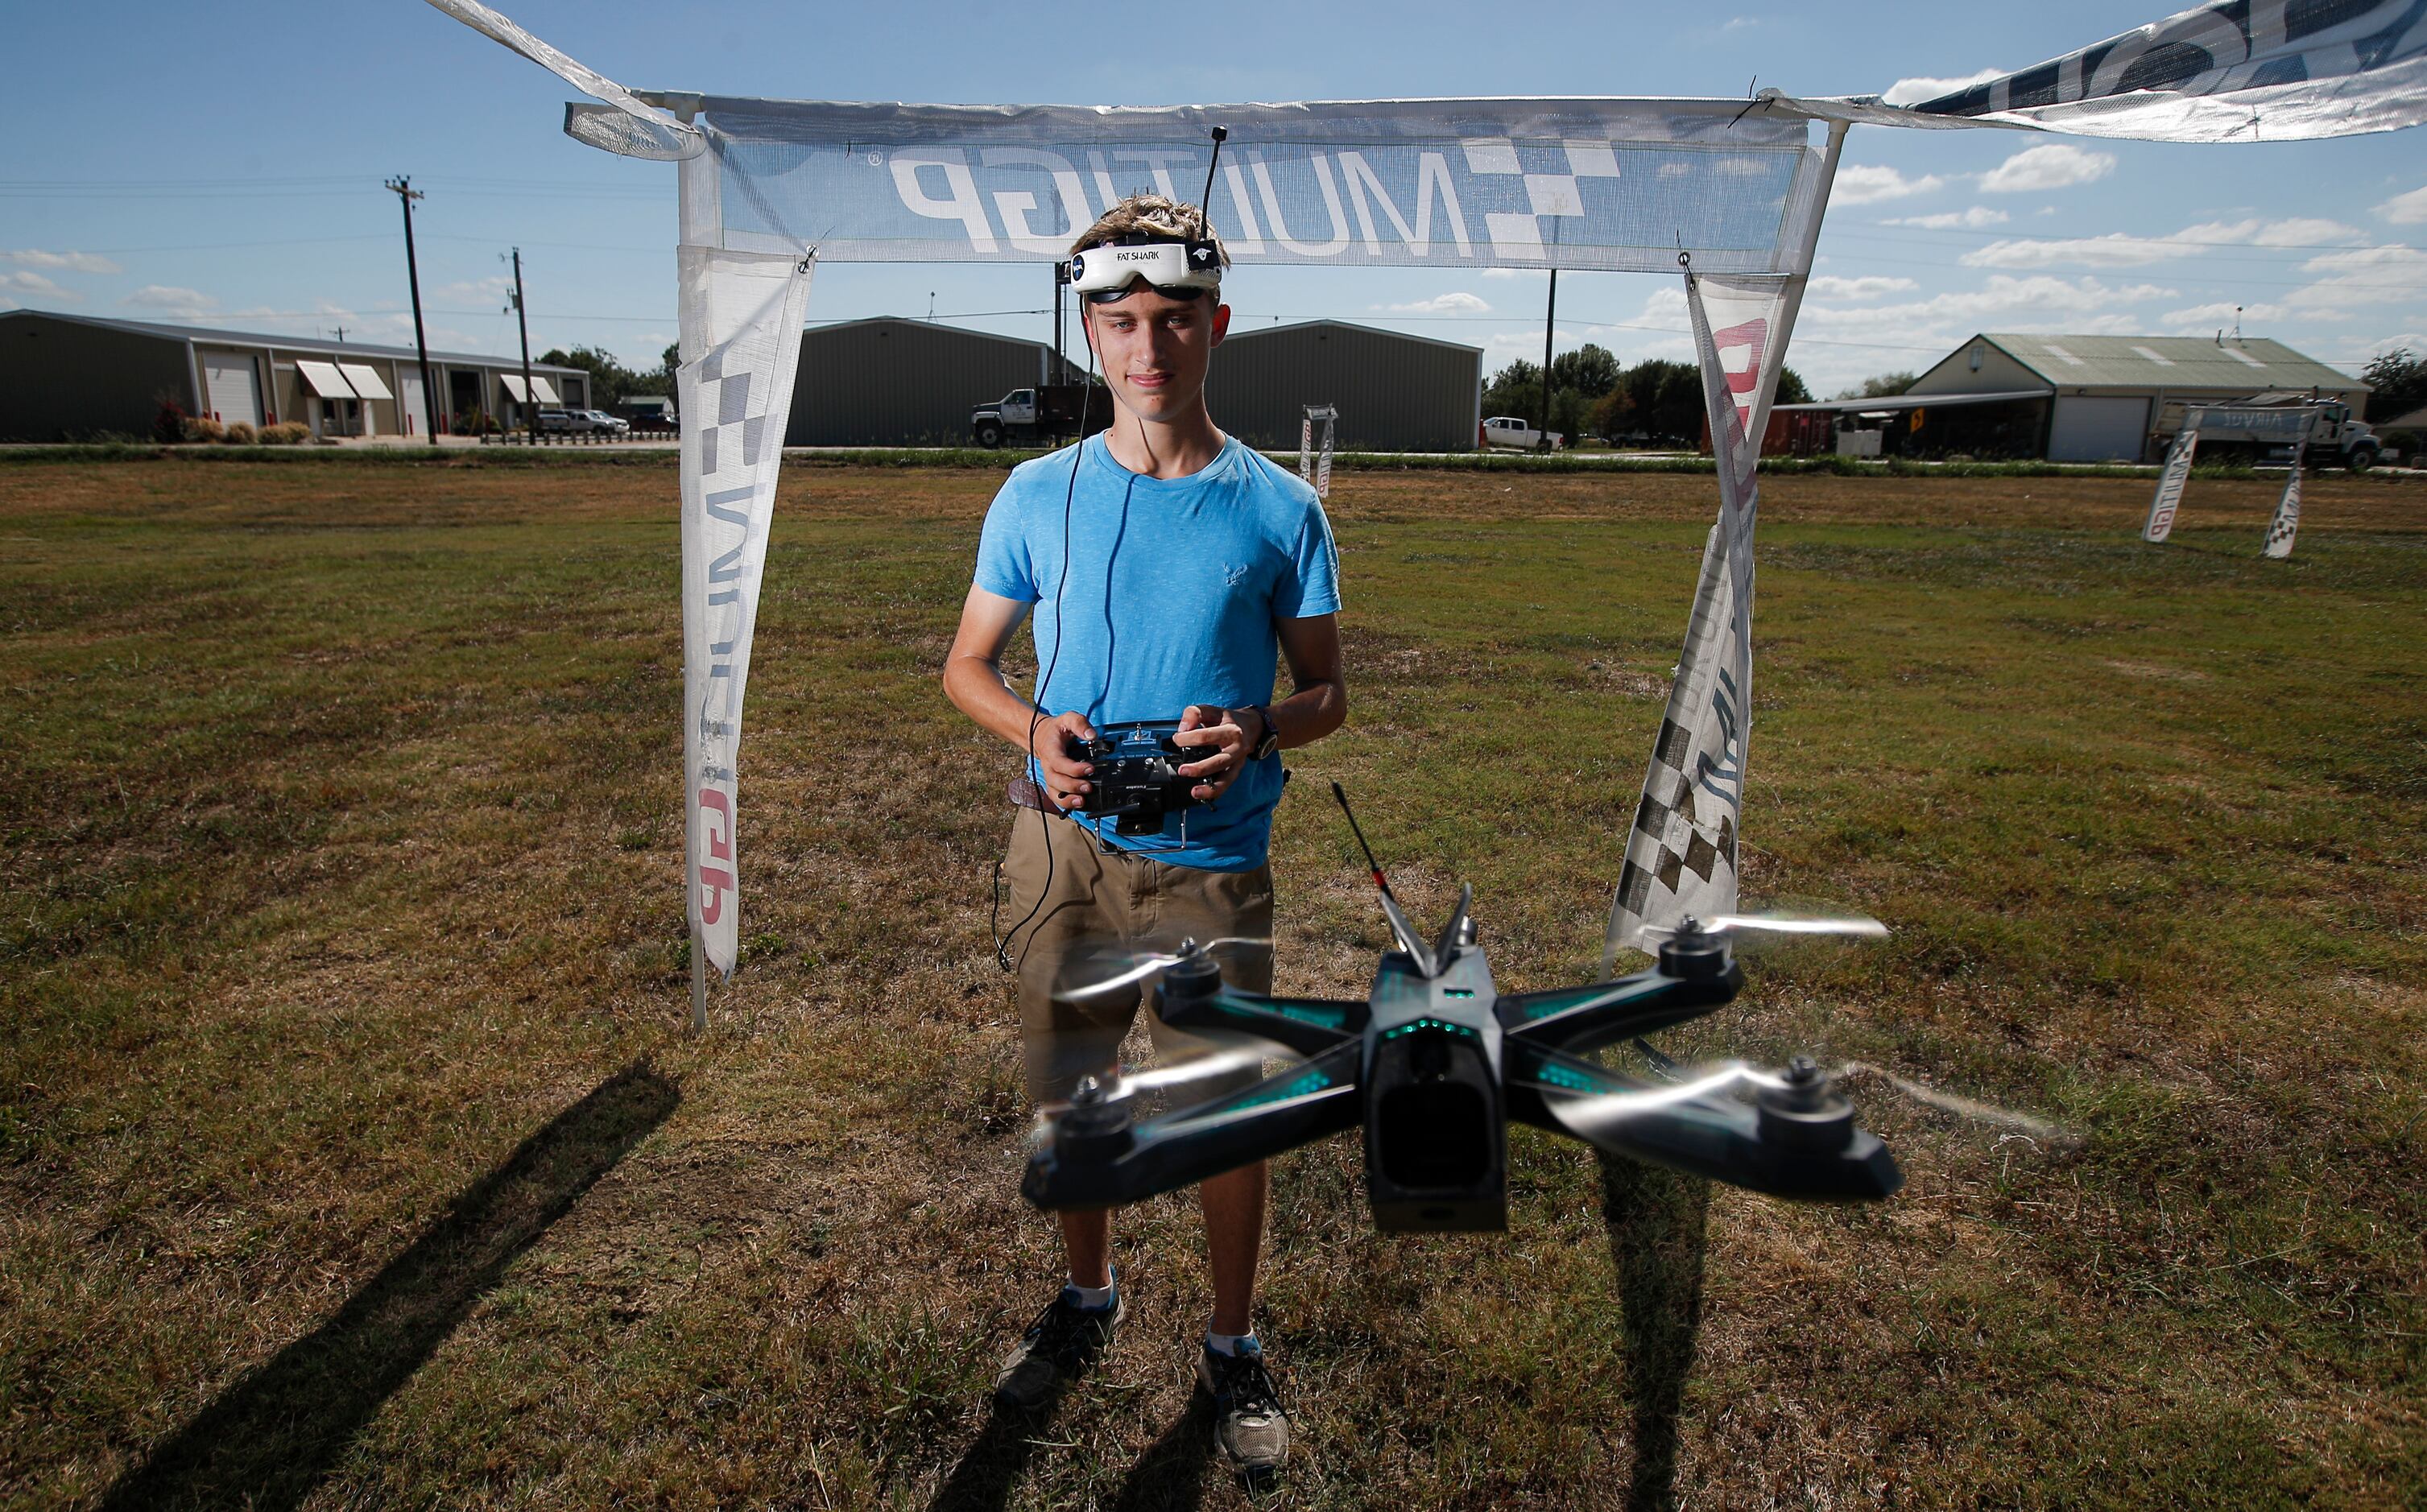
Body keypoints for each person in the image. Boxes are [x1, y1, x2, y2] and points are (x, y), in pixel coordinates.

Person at [941, 192, 1346, 1477]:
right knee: (1073, 1090)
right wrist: (1031, 729)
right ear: (1088, 331)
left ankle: (1231, 1341)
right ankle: (1087, 1295)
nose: (1147, 348)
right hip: (1059, 854)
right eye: (1119, 321)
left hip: (1212, 863)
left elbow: (1330, 691)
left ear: (1216, 325)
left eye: (1173, 320)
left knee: (1228, 1109)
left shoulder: (1280, 508)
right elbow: (966, 665)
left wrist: (1259, 728)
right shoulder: (1031, 490)